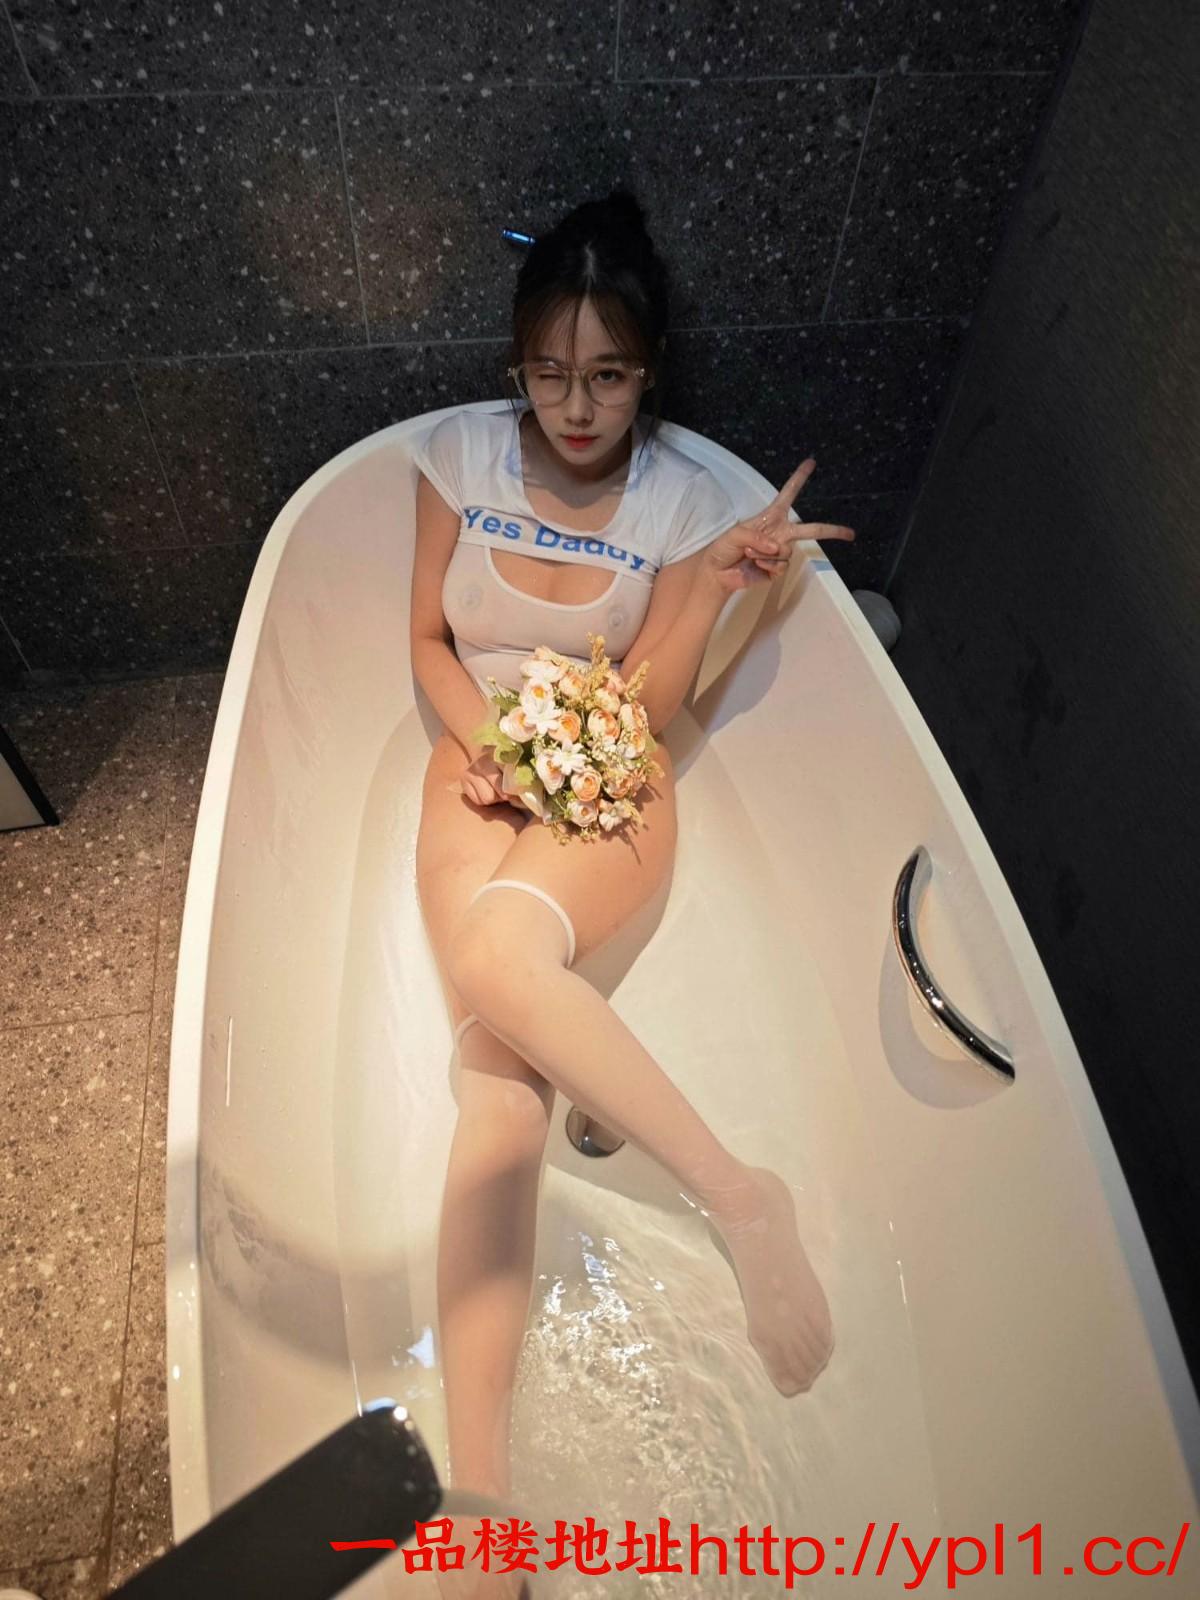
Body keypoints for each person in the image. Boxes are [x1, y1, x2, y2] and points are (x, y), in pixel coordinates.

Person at [410, 188, 856, 1589]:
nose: (576, 407)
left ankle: (740, 1196)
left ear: (647, 371)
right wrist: (489, 747)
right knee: (498, 1088)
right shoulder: (454, 459)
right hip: (479, 764)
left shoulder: (674, 499)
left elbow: (652, 705)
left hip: (610, 774)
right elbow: (425, 642)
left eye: (607, 376)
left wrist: (715, 582)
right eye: (550, 372)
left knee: (495, 965)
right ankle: (481, 1496)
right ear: (517, 364)